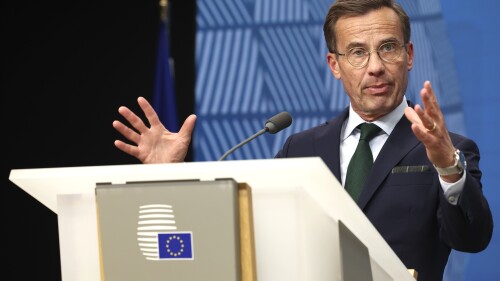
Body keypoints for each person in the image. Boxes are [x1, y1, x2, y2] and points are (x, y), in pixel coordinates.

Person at [113, 0, 493, 280]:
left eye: (388, 48)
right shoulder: (302, 149)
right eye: (358, 52)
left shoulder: (449, 150)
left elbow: (473, 238)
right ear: (334, 65)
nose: (375, 66)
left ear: (409, 55)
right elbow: (243, 230)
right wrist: (174, 175)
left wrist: (446, 163)